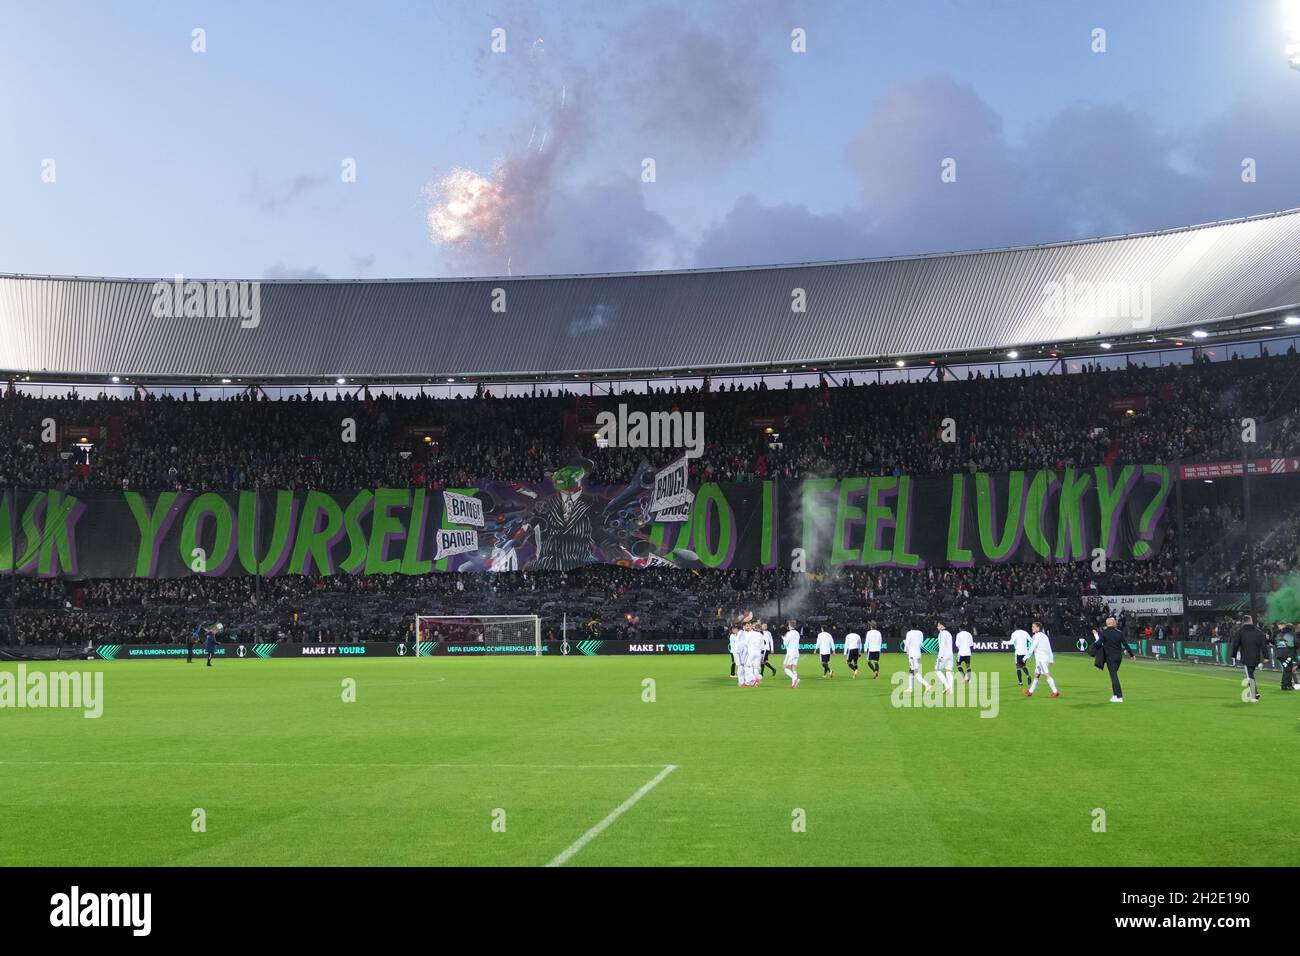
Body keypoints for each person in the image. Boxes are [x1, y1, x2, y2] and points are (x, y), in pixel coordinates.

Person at [1092, 616, 1137, 702]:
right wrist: (1132, 655)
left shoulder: (1104, 633)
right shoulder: (1119, 633)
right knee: (1114, 675)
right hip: (1119, 658)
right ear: (1113, 623)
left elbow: (1098, 643)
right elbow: (1125, 644)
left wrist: (1093, 646)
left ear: (1107, 623)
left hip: (1110, 658)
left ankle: (1119, 697)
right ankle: (1114, 695)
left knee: (1114, 677)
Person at [1229, 615, 1270, 703]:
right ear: (1251, 621)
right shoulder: (1259, 632)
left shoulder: (1240, 632)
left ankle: (1254, 695)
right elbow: (1264, 645)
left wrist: (1233, 656)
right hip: (1256, 658)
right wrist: (1266, 657)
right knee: (1251, 675)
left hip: (1246, 658)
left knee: (1250, 677)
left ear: (1243, 622)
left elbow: (1235, 644)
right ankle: (1256, 692)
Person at [1023, 621, 1058, 698]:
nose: (1032, 628)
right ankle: (1030, 691)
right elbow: (1049, 648)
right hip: (1044, 658)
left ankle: (1055, 691)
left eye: (1033, 626)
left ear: (1038, 628)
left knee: (1047, 674)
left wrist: (1025, 657)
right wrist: (1051, 659)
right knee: (1037, 675)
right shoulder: (1044, 636)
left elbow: (1032, 647)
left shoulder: (1037, 636)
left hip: (1041, 659)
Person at [903, 626, 931, 692]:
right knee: (911, 671)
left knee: (914, 671)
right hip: (918, 654)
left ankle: (927, 685)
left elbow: (907, 643)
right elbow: (921, 643)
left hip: (912, 654)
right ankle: (910, 688)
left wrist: (906, 651)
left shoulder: (909, 633)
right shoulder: (920, 633)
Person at [935, 621, 955, 694]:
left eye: (938, 625)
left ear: (942, 626)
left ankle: (947, 686)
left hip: (943, 655)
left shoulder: (941, 634)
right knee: (949, 671)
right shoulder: (949, 634)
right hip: (950, 654)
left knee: (937, 670)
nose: (937, 627)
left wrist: (940, 656)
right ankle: (951, 690)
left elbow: (942, 645)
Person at [782, 620, 801, 688]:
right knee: (794, 667)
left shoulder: (789, 633)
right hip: (796, 652)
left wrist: (784, 638)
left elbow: (785, 644)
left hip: (790, 653)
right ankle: (794, 684)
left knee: (785, 667)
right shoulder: (797, 633)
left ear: (789, 625)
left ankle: (795, 678)